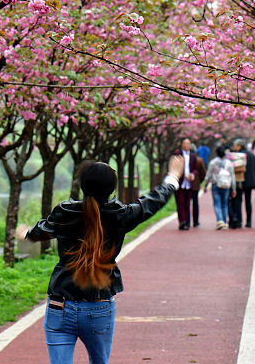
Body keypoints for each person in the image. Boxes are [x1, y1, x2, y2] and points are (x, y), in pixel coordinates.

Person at [17, 155, 184, 364]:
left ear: (83, 186)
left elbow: (41, 231)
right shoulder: (120, 215)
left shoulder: (65, 212)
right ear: (112, 188)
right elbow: (152, 202)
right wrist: (173, 177)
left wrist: (26, 234)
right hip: (99, 307)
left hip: (60, 306)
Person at [172, 137, 205, 230]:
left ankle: (186, 222)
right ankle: (182, 221)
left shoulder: (193, 157)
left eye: (188, 144)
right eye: (184, 144)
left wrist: (192, 174)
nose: (186, 145)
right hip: (180, 182)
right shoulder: (178, 154)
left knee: (187, 203)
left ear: (190, 145)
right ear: (182, 145)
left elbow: (195, 169)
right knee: (180, 202)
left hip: (189, 183)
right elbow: (174, 166)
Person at [203, 145, 235, 229]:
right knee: (224, 204)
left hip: (215, 185)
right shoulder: (229, 163)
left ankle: (219, 220)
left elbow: (208, 175)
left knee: (217, 204)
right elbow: (232, 176)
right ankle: (224, 222)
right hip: (226, 186)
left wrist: (205, 185)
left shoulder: (213, 162)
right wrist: (234, 188)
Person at [239, 139, 255, 227]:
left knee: (238, 201)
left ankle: (239, 221)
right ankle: (249, 221)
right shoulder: (251, 155)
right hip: (250, 182)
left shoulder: (239, 155)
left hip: (240, 182)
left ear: (240, 146)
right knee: (248, 201)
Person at [226, 140, 248, 228]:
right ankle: (239, 221)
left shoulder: (228, 160)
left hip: (230, 183)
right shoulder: (242, 158)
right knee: (238, 202)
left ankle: (232, 219)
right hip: (239, 183)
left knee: (229, 202)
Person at [194, 141, 211, 227]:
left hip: (189, 185)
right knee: (195, 202)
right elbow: (203, 174)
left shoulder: (199, 150)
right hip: (205, 162)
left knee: (187, 203)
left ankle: (186, 220)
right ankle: (195, 221)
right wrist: (200, 181)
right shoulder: (207, 150)